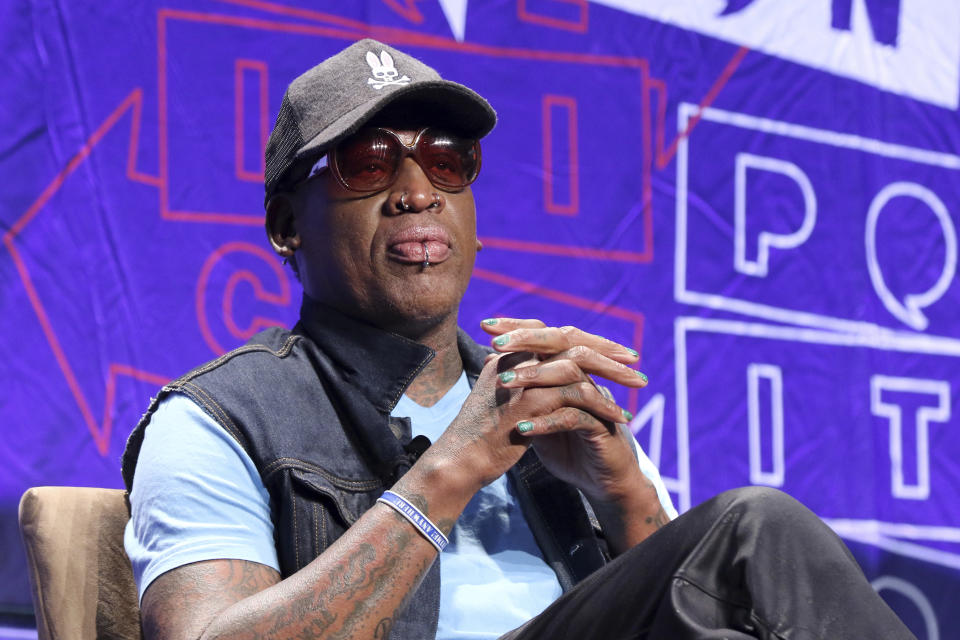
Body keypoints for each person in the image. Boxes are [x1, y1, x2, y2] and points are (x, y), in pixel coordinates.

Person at [121, 39, 916, 640]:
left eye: (446, 160)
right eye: (367, 163)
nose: (415, 192)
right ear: (288, 225)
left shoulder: (541, 400)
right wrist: (451, 470)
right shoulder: (216, 419)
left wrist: (624, 495)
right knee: (753, 525)